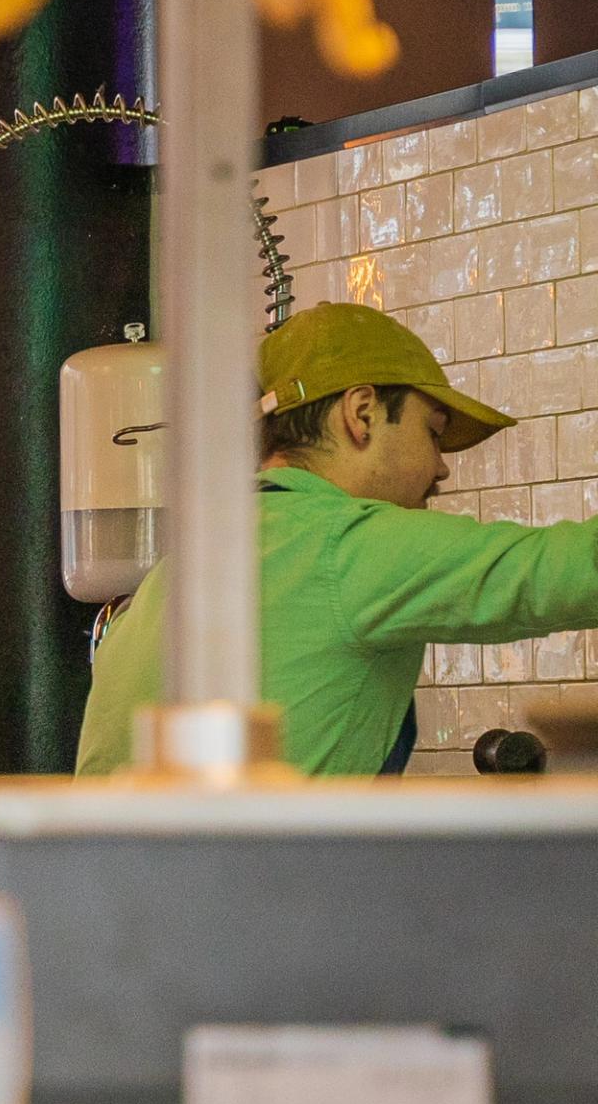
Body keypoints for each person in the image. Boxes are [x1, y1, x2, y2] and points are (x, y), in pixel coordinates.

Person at [78, 302, 598, 775]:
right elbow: (567, 571)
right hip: (250, 880)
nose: (441, 469)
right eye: (433, 433)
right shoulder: (346, 544)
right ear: (362, 413)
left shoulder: (178, 569)